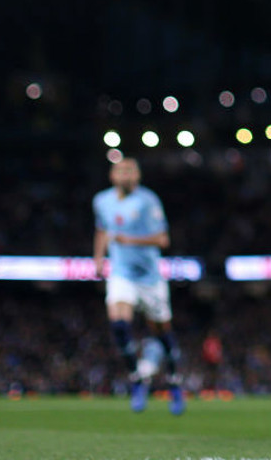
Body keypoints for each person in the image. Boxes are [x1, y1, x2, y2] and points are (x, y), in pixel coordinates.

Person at [92, 157, 185, 415]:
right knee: (119, 323)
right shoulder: (102, 201)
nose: (126, 174)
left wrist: (129, 240)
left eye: (131, 170)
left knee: (162, 331)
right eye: (121, 170)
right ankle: (136, 377)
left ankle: (174, 382)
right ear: (112, 175)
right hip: (122, 274)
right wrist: (98, 258)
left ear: (138, 176)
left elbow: (163, 240)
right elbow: (102, 229)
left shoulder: (148, 201)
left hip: (150, 278)